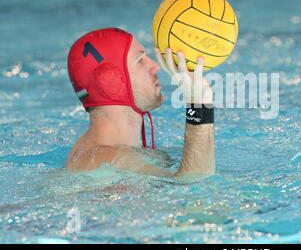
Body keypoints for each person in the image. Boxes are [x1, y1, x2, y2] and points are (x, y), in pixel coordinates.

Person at [66, 27, 215, 178]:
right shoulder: (109, 159)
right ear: (111, 82)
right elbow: (193, 181)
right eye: (140, 61)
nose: (155, 66)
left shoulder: (112, 154)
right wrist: (199, 106)